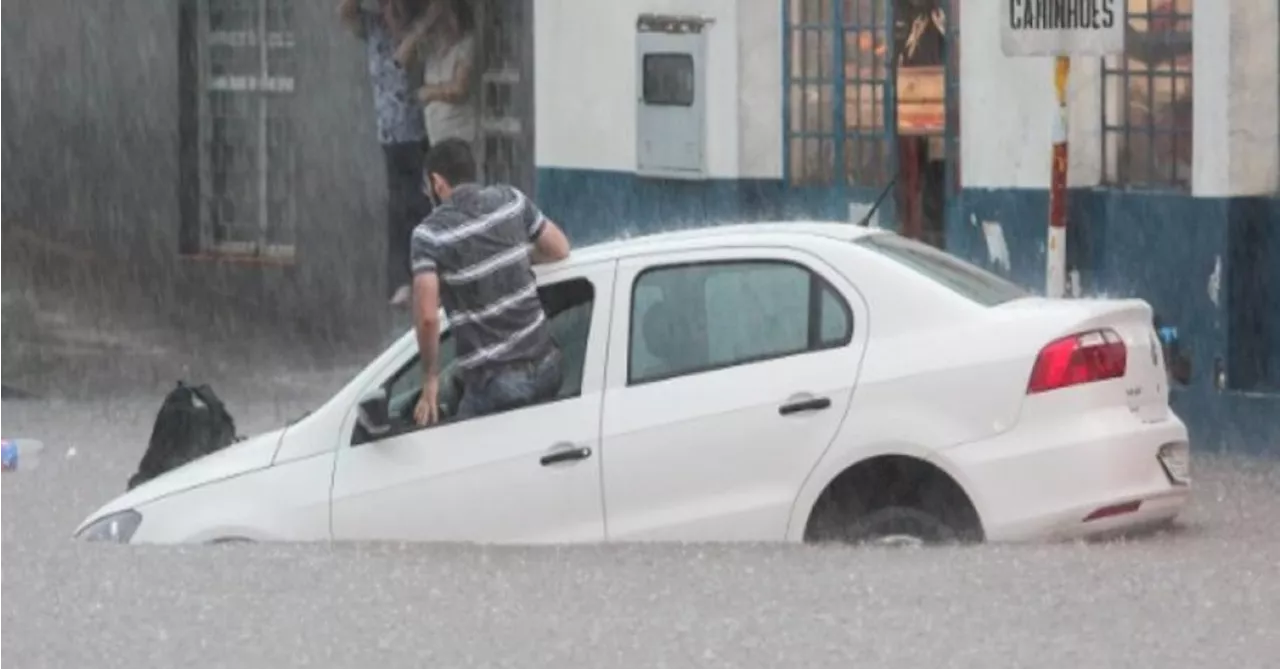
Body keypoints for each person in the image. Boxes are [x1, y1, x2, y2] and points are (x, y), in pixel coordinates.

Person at [408, 139, 571, 426]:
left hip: (498, 386)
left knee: (449, 455)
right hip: (549, 366)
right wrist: (515, 257)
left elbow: (427, 319)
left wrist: (430, 379)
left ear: (437, 182)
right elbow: (559, 249)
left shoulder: (430, 235)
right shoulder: (511, 200)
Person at [338, 0, 432, 307]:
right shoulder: (374, 28)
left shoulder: (418, 32)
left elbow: (415, 45)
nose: (390, 10)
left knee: (421, 204)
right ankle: (401, 280)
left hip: (422, 131)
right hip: (391, 132)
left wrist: (408, 29)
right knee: (400, 206)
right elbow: (346, 13)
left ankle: (428, 273)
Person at [395, 0, 479, 146]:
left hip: (461, 136)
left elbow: (459, 90)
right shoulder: (432, 47)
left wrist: (430, 92)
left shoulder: (466, 44)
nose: (450, 22)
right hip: (438, 138)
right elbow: (401, 58)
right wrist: (426, 22)